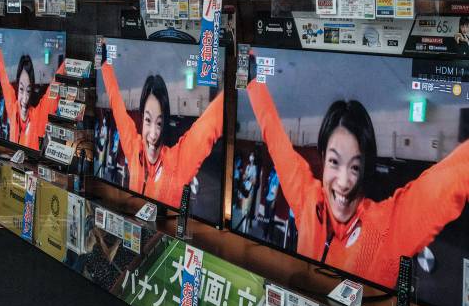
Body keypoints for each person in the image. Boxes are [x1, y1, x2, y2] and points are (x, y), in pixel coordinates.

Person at [244, 76, 469, 288]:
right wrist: (252, 79)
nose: (343, 182)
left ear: (365, 170)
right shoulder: (307, 197)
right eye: (334, 161)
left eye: (355, 167)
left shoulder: (388, 227)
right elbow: (275, 137)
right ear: (323, 158)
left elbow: (452, 177)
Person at [98, 43, 224, 206]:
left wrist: (249, 81)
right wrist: (104, 64)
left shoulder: (178, 162)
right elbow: (116, 103)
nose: (153, 134)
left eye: (159, 123)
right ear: (142, 119)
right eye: (148, 120)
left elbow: (209, 125)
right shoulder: (133, 147)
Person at [0, 42, 62, 150]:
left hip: (32, 166)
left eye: (28, 91)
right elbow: (3, 76)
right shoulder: (13, 108)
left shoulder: (39, 116)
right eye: (21, 89)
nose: (25, 99)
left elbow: (56, 87)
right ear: (17, 88)